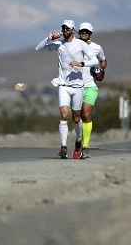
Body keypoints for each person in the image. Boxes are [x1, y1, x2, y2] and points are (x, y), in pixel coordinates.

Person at [35, 19, 98, 159]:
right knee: (64, 115)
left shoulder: (80, 44)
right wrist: (48, 38)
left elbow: (95, 60)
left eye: (67, 29)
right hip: (63, 85)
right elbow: (38, 49)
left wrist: (81, 63)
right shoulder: (59, 44)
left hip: (78, 87)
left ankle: (79, 140)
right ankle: (63, 147)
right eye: (63, 28)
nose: (64, 31)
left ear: (73, 30)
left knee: (76, 118)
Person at [77, 22, 107, 159]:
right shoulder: (72, 45)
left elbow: (103, 60)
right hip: (74, 86)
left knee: (86, 114)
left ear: (90, 33)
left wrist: (101, 71)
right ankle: (78, 139)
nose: (84, 33)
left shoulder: (96, 48)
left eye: (87, 31)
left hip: (90, 86)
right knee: (77, 117)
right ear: (79, 32)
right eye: (82, 31)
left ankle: (86, 146)